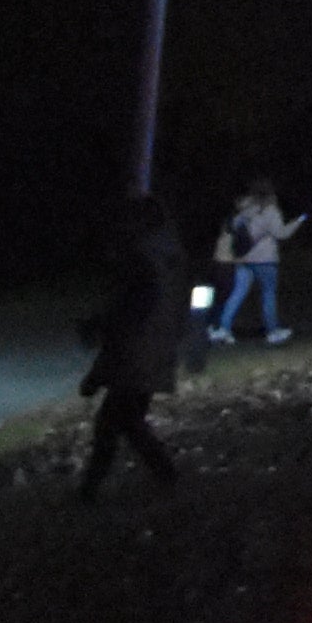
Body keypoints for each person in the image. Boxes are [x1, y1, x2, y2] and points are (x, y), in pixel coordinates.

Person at [73, 203, 188, 495]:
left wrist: (97, 373)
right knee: (127, 422)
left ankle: (93, 490)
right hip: (155, 352)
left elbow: (127, 321)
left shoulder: (140, 261)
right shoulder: (165, 257)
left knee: (114, 423)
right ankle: (165, 477)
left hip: (137, 358)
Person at [208, 177, 302, 347]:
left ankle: (223, 327)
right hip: (265, 260)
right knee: (268, 294)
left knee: (237, 294)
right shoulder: (270, 211)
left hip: (244, 258)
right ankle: (273, 331)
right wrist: (297, 222)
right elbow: (281, 234)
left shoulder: (246, 210)